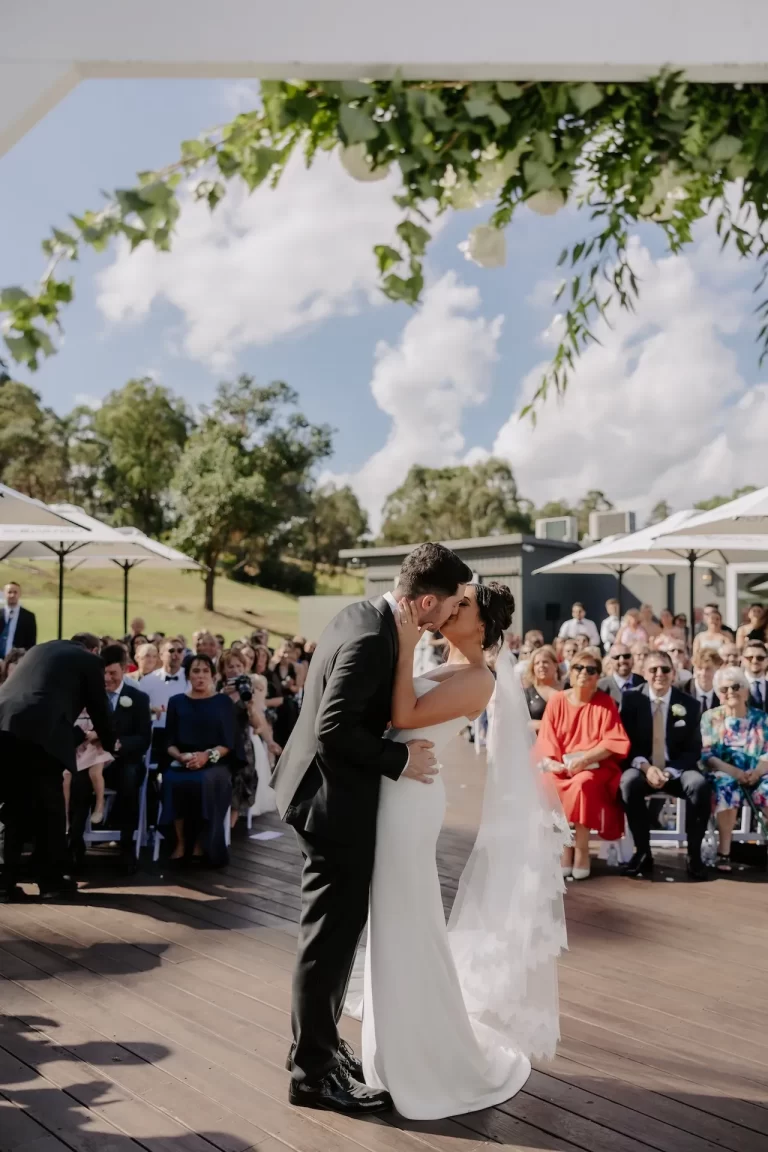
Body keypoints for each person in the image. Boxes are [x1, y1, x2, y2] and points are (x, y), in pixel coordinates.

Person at [347, 582, 567, 1120]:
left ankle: (424, 1058)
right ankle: (394, 1049)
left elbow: (403, 713)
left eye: (463, 605)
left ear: (483, 628)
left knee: (406, 921)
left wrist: (401, 645)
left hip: (410, 803)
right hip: (395, 789)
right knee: (393, 922)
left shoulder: (480, 680)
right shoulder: (445, 663)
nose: (450, 606)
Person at [272, 542, 471, 1115]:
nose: (451, 615)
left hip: (318, 795)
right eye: (450, 604)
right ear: (425, 600)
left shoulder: (359, 615)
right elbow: (335, 728)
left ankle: (323, 1047)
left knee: (330, 940)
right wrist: (400, 761)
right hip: (331, 807)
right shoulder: (369, 638)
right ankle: (311, 1076)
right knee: (327, 946)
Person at [0, 635, 114, 901]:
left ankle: (3, 882)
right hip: (41, 738)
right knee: (50, 812)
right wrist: (111, 742)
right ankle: (50, 882)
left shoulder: (39, 649)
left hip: (4, 726)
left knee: (13, 808)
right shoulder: (89, 660)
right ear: (94, 650)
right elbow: (100, 708)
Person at [536, 648, 630, 881]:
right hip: (561, 766)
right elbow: (547, 738)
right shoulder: (557, 700)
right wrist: (553, 763)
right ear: (571, 671)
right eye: (578, 668)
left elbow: (614, 740)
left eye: (591, 670)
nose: (584, 673)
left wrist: (585, 759)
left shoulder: (604, 702)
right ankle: (564, 849)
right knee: (548, 783)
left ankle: (581, 850)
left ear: (598, 675)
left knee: (582, 785)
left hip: (594, 768)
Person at [619, 653, 709, 880]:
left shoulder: (689, 704)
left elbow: (693, 750)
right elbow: (626, 743)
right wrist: (647, 768)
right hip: (643, 766)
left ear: (673, 673)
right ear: (645, 673)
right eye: (653, 670)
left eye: (665, 670)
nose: (659, 674)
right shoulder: (630, 700)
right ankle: (643, 852)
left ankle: (694, 854)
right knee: (628, 783)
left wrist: (669, 772)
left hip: (677, 770)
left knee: (698, 785)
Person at [69, 644, 152, 874]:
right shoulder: (88, 696)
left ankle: (126, 847)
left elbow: (143, 738)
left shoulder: (138, 698)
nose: (107, 678)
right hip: (90, 759)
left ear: (124, 669)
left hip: (123, 761)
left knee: (130, 777)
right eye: (103, 673)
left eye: (113, 673)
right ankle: (74, 846)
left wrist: (118, 744)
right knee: (78, 780)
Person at [163, 653, 235, 866]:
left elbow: (228, 743)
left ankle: (202, 843)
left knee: (203, 781)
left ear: (213, 676)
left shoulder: (223, 702)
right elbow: (169, 742)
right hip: (182, 760)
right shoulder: (176, 702)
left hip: (215, 762)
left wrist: (206, 756)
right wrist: (181, 756)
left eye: (205, 671)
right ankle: (181, 842)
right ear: (188, 676)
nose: (201, 676)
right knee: (171, 781)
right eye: (196, 671)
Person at [701, 666, 768, 872]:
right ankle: (725, 852)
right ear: (719, 695)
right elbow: (708, 755)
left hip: (757, 772)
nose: (731, 692)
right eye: (724, 689)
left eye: (736, 686)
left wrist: (756, 772)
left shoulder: (761, 718)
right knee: (726, 786)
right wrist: (735, 773)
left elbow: (767, 752)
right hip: (724, 773)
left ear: (746, 690)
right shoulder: (710, 717)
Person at [523, 645, 561, 732]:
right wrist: (549, 725)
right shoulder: (527, 693)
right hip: (536, 742)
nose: (541, 666)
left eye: (545, 662)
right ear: (533, 668)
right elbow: (522, 722)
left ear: (555, 665)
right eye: (537, 663)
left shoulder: (567, 689)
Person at [0, 581, 36, 656]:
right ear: (4, 594)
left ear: (19, 594)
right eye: (9, 592)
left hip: (17, 662)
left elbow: (31, 644)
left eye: (15, 592)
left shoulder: (28, 617)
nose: (12, 595)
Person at [742, 640, 768, 712]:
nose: (755, 661)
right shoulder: (734, 688)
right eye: (750, 658)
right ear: (743, 660)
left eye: (760, 658)